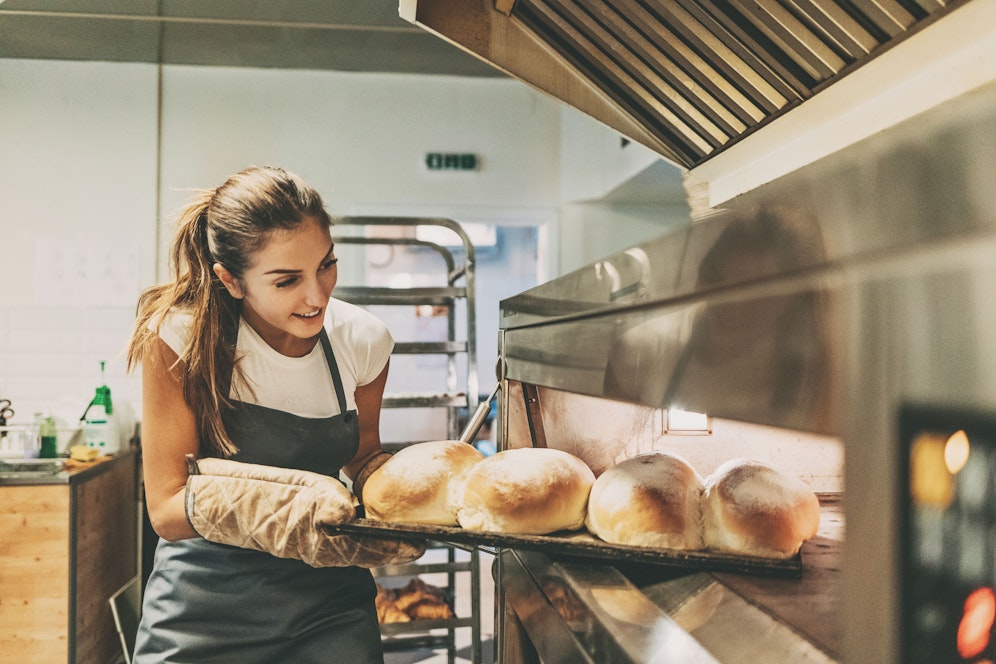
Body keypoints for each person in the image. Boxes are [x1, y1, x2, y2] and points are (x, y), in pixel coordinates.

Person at [126, 165, 424, 663]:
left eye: (326, 265)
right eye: (287, 280)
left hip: (330, 608)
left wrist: (416, 496)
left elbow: (363, 455)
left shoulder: (363, 340)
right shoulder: (180, 339)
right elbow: (166, 510)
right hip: (205, 607)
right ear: (231, 280)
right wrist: (290, 511)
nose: (317, 296)